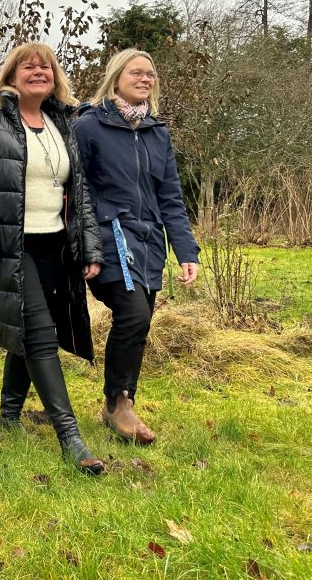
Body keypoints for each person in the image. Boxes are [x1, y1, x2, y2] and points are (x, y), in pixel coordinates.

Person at [0, 42, 106, 475]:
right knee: (41, 331)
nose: (38, 71)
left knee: (29, 327)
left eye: (45, 66)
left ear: (54, 77)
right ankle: (70, 437)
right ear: (11, 74)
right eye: (28, 65)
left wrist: (89, 247)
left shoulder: (62, 121)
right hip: (12, 246)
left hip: (55, 245)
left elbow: (78, 191)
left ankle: (9, 413)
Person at [73, 48, 199, 445]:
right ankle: (118, 405)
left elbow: (171, 197)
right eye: (137, 73)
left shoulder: (157, 132)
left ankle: (121, 400)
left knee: (140, 319)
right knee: (132, 315)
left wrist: (186, 251)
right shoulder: (90, 126)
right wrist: (88, 243)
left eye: (151, 74)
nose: (146, 79)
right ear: (116, 77)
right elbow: (76, 190)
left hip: (148, 243)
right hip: (108, 239)